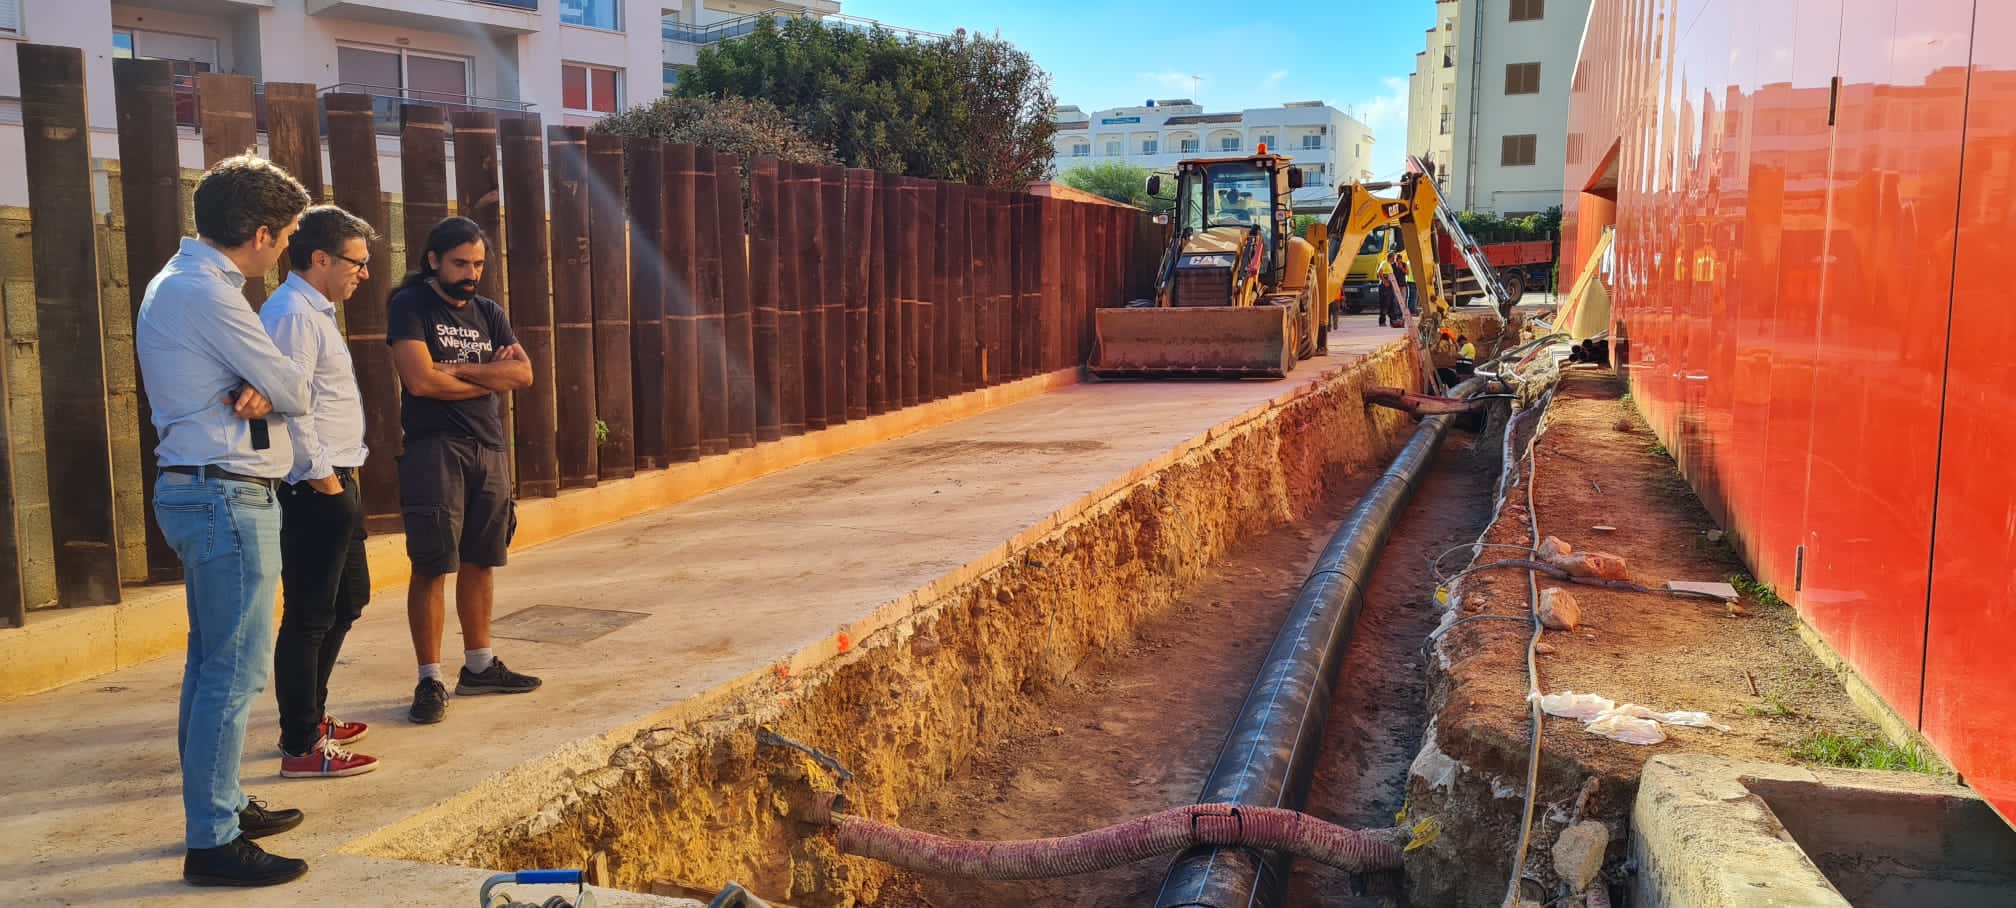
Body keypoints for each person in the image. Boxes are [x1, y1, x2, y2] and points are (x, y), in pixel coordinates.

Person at [136, 155, 314, 887]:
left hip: (204, 491)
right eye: (289, 238)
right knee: (232, 677)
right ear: (264, 234)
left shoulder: (178, 282)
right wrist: (269, 386)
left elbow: (267, 385)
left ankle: (223, 805)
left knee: (209, 667)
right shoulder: (209, 295)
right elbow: (293, 386)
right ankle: (212, 839)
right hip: (227, 496)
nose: (286, 252)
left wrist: (261, 386)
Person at [387, 216, 539, 725]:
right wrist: (490, 378)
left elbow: (524, 373)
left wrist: (454, 369)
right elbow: (419, 381)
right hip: (435, 450)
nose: (471, 272)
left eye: (477, 263)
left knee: (482, 558)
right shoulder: (410, 305)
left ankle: (478, 667)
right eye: (460, 263)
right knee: (432, 563)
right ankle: (429, 678)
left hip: (489, 448)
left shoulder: (490, 312)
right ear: (433, 260)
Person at [262, 206, 381, 779]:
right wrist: (324, 480)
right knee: (310, 614)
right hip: (314, 484)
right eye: (357, 263)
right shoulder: (292, 315)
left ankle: (313, 714)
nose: (363, 273)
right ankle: (300, 744)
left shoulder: (316, 311)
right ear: (320, 258)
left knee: (347, 600)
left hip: (336, 477)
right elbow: (291, 402)